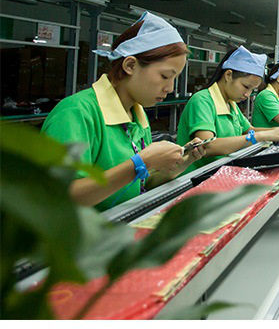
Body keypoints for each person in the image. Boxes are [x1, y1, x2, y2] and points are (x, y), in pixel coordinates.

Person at [42, 12, 207, 210]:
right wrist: (140, 163)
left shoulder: (136, 115)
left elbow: (140, 184)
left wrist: (179, 165)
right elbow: (62, 196)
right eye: (165, 76)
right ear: (130, 65)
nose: (170, 88)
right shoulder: (76, 113)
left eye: (175, 78)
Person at [176, 45, 279, 173]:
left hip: (222, 170)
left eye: (252, 90)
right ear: (228, 75)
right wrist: (261, 136)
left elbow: (249, 131)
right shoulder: (202, 100)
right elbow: (207, 146)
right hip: (196, 176)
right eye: (246, 86)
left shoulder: (231, 103)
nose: (248, 94)